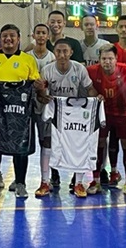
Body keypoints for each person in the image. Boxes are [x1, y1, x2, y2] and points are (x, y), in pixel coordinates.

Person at [0, 24, 40, 198]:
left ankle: (20, 183)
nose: (8, 39)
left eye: (12, 36)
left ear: (19, 38)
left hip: (20, 113)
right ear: (0, 39)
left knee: (20, 149)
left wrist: (39, 87)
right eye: (5, 35)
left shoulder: (28, 60)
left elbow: (34, 82)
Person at [38, 38, 96, 196]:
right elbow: (41, 95)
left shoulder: (79, 69)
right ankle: (44, 181)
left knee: (78, 145)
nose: (62, 54)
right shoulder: (47, 69)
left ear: (71, 52)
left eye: (65, 51)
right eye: (58, 51)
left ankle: (78, 183)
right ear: (54, 53)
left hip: (75, 113)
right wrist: (43, 95)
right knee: (48, 143)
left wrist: (97, 99)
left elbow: (89, 88)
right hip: (54, 110)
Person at [88, 49, 126, 196]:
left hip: (123, 113)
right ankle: (96, 180)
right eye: (104, 59)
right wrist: (94, 93)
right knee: (99, 144)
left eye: (110, 59)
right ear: (99, 60)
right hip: (102, 113)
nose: (107, 62)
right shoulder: (92, 71)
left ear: (116, 59)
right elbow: (86, 86)